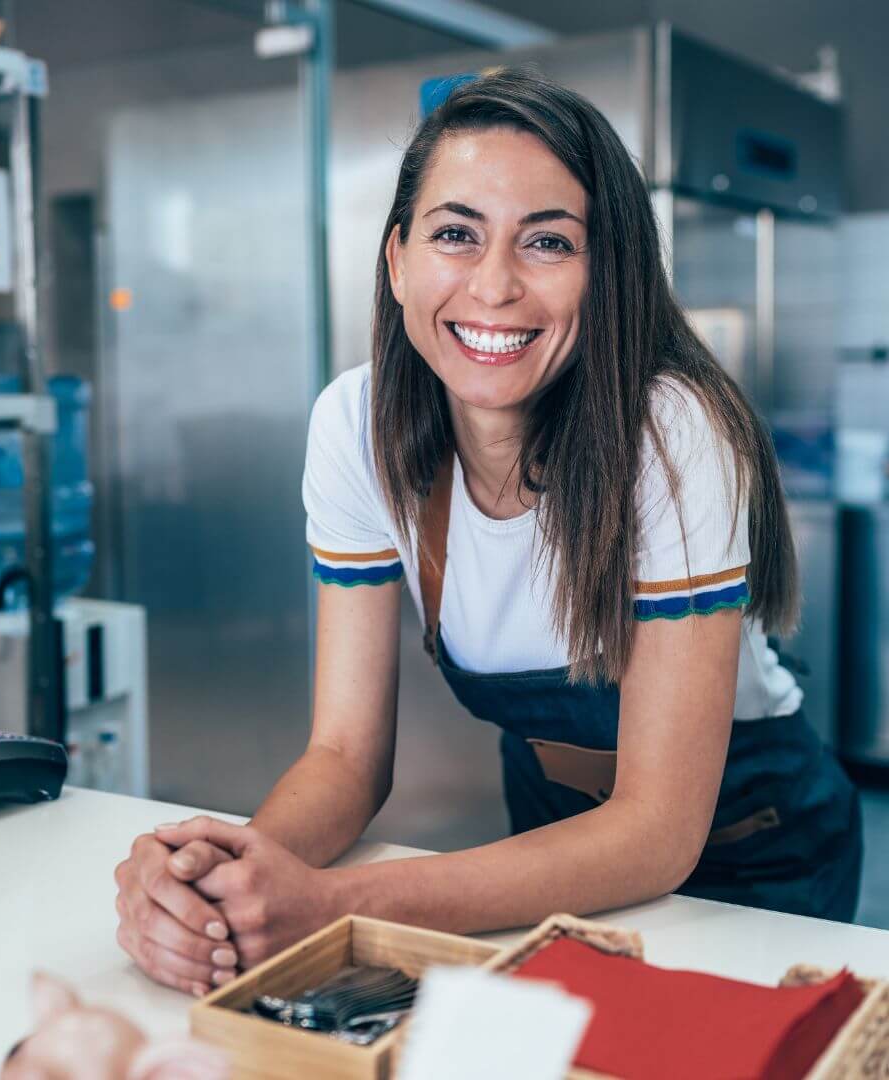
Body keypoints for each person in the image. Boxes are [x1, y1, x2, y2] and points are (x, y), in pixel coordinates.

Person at [113, 69, 862, 997]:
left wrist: (332, 904)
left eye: (548, 241)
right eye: (456, 234)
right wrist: (231, 879)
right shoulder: (357, 426)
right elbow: (345, 758)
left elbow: (657, 832)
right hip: (553, 850)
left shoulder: (673, 437)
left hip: (752, 857)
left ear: (609, 272)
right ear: (396, 260)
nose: (495, 286)